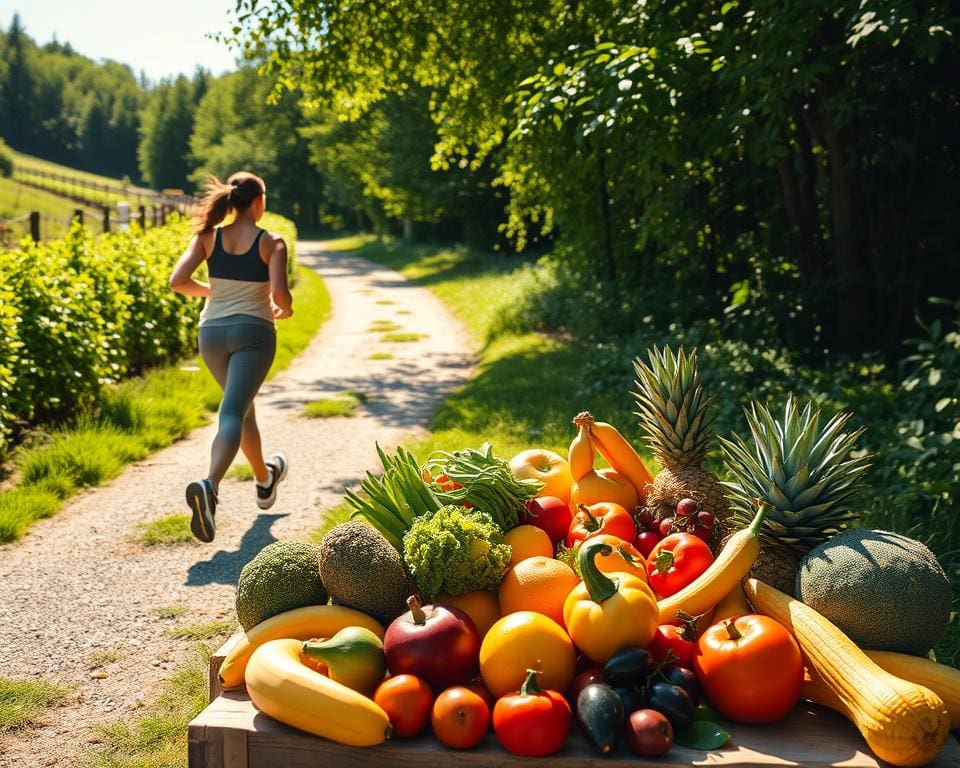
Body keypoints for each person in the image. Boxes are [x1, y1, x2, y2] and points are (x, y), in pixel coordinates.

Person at [169, 171, 293, 542]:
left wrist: (214, 293)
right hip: (253, 334)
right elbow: (282, 297)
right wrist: (281, 307)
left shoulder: (208, 237)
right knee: (232, 412)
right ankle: (209, 485)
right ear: (259, 202)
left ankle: (264, 478)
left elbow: (178, 281)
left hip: (211, 335)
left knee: (242, 408)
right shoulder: (271, 242)